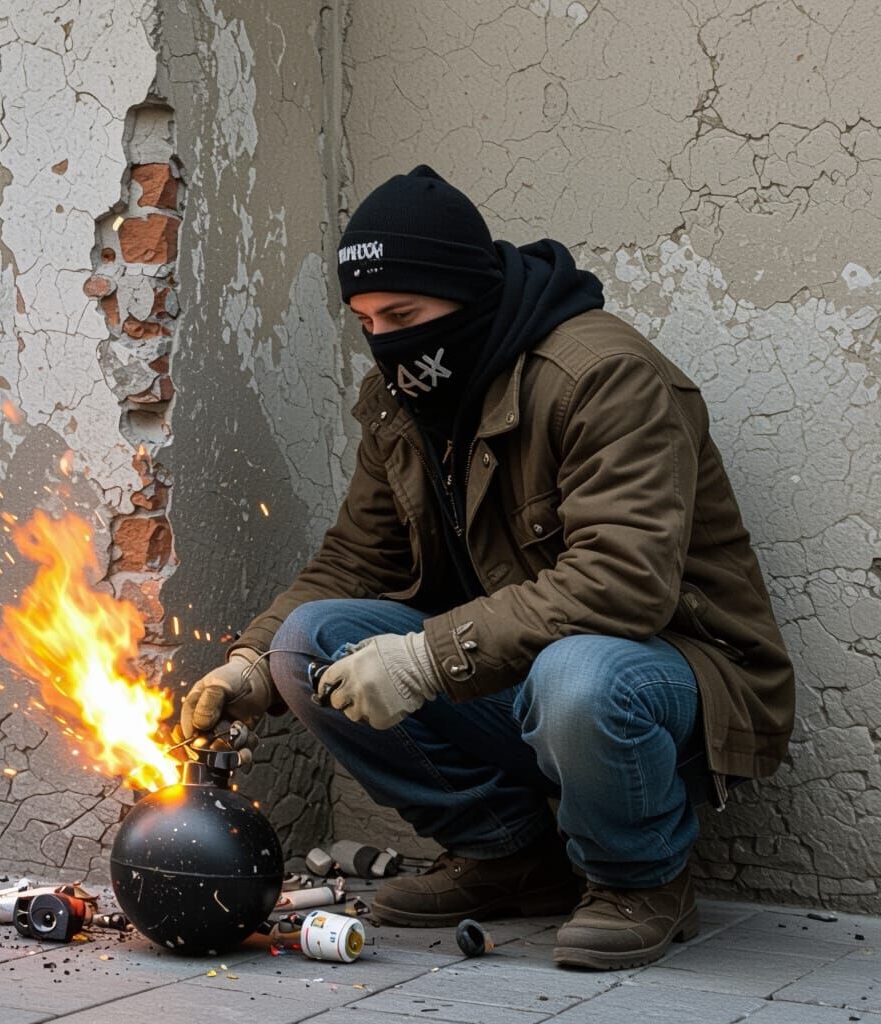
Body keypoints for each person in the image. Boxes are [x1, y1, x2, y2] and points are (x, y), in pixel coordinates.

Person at [180, 165, 795, 970]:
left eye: (403, 314)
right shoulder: (405, 399)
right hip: (519, 665)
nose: (386, 340)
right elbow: (355, 560)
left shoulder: (602, 376)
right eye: (365, 319)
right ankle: (510, 857)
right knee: (307, 644)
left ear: (466, 293)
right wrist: (250, 664)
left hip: (672, 676)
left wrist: (426, 656)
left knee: (580, 678)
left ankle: (640, 880)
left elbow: (624, 581)